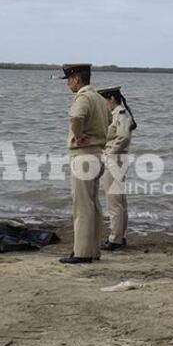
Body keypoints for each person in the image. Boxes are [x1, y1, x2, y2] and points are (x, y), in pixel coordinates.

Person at [59, 64, 111, 264]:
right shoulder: (99, 98)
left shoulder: (83, 97)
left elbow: (76, 117)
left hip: (83, 156)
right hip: (98, 154)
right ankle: (93, 250)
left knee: (82, 206)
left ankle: (82, 252)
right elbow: (109, 122)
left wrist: (79, 136)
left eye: (69, 80)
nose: (68, 85)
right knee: (93, 204)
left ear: (77, 79)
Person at [97, 86, 137, 251]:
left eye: (104, 102)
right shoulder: (117, 114)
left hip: (115, 160)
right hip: (118, 160)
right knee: (119, 201)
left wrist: (109, 154)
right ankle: (121, 236)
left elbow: (124, 137)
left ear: (111, 99)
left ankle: (115, 239)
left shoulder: (120, 114)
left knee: (114, 202)